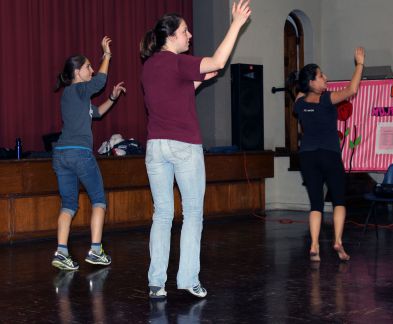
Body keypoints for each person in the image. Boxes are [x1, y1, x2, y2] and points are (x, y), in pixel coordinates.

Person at [140, 0, 251, 298]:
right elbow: (216, 62)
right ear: (171, 36)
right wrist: (236, 24)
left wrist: (199, 83)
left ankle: (156, 282)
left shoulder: (149, 67)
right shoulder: (177, 61)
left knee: (162, 214)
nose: (189, 36)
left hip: (155, 148)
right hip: (183, 146)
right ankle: (188, 280)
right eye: (185, 31)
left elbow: (175, 94)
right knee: (192, 213)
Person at [51, 36, 126, 270]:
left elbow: (98, 112)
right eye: (87, 67)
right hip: (79, 154)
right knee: (99, 201)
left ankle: (61, 253)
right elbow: (101, 81)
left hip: (61, 155)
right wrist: (107, 55)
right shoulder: (79, 90)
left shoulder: (74, 96)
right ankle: (95, 250)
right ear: (77, 72)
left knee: (69, 205)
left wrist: (113, 98)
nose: (92, 70)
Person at [294, 47, 365, 262]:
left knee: (315, 203)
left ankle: (315, 245)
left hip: (307, 157)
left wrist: (302, 89)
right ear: (312, 83)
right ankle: (338, 242)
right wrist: (359, 64)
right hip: (329, 155)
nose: (326, 78)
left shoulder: (299, 104)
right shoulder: (326, 100)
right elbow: (352, 90)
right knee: (339, 201)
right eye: (321, 76)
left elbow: (299, 95)